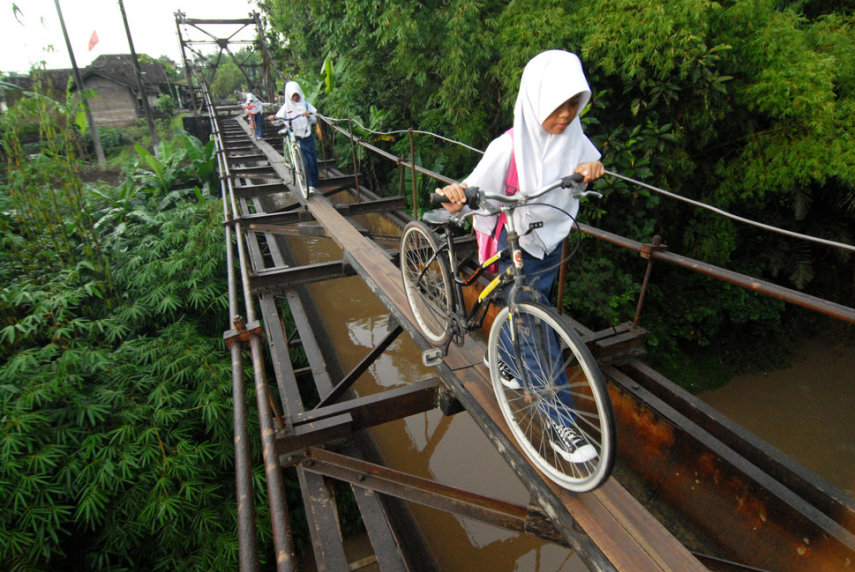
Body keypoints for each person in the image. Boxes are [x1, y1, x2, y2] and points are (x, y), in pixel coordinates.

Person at [437, 50, 604, 464]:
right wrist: (453, 194)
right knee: (536, 327)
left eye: (573, 103)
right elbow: (468, 189)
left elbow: (590, 157)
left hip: (550, 245)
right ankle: (558, 421)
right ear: (535, 101)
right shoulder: (507, 148)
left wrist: (593, 167)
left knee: (524, 311)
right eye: (557, 105)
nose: (566, 114)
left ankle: (506, 360)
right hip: (510, 246)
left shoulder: (574, 137)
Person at [269, 81, 320, 194]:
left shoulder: (306, 105)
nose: (295, 98)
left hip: (307, 134)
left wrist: (310, 115)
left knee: (312, 159)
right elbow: (278, 119)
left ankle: (314, 182)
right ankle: (309, 184)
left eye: (297, 95)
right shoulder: (286, 108)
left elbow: (315, 118)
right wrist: (274, 119)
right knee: (305, 161)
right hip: (296, 136)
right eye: (293, 96)